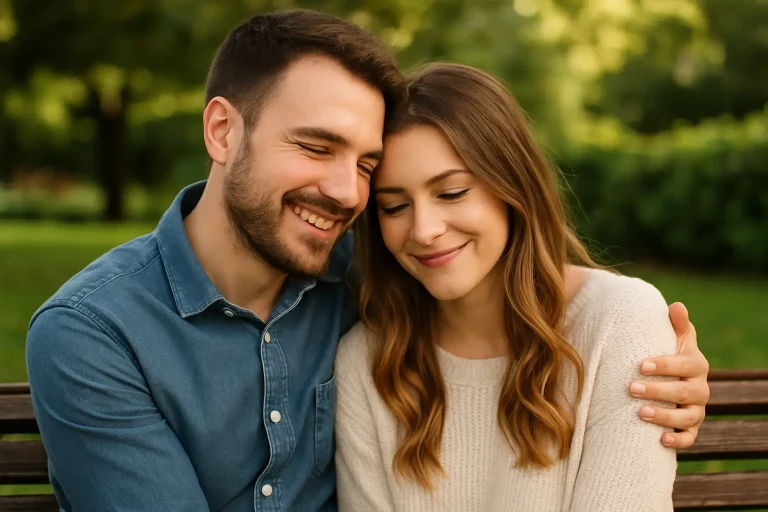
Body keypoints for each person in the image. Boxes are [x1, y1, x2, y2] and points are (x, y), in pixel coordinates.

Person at [25, 10, 707, 512]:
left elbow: (516, 286)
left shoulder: (383, 271)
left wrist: (652, 356)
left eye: (365, 166)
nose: (347, 193)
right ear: (223, 131)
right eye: (316, 147)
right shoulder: (95, 333)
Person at [334, 63, 693, 511]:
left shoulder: (619, 323)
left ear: (512, 186)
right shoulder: (366, 362)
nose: (423, 230)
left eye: (452, 193)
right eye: (393, 206)